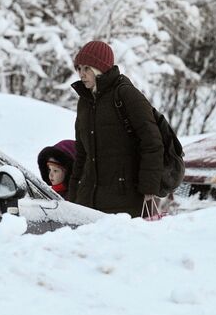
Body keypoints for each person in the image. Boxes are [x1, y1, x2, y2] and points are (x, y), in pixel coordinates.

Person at [68, 40, 164, 218]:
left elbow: (152, 143)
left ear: (100, 68)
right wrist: (72, 196)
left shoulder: (126, 94)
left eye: (87, 68)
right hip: (87, 201)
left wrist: (149, 189)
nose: (81, 74)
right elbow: (82, 154)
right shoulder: (85, 101)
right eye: (79, 68)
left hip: (125, 200)